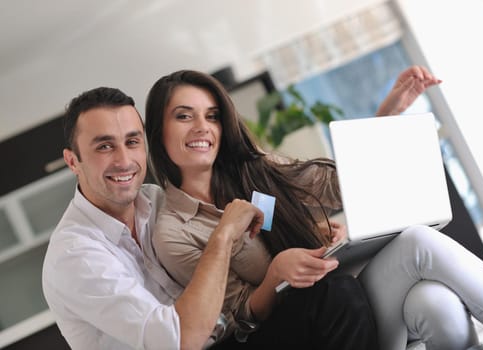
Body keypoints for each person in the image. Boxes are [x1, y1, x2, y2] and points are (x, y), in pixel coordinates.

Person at [145, 69, 483, 350]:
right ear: (157, 133)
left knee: (435, 304)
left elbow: (334, 188)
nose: (202, 127)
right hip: (315, 330)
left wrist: (384, 120)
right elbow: (238, 318)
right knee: (417, 243)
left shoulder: (253, 172)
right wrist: (276, 273)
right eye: (183, 115)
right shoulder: (174, 231)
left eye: (211, 115)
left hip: (346, 294)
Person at [41, 87, 379, 350]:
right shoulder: (75, 255)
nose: (124, 159)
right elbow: (180, 339)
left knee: (334, 292)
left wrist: (306, 225)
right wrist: (223, 235)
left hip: (233, 337)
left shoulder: (155, 200)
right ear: (73, 161)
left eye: (132, 141)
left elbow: (260, 214)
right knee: (334, 296)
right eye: (104, 147)